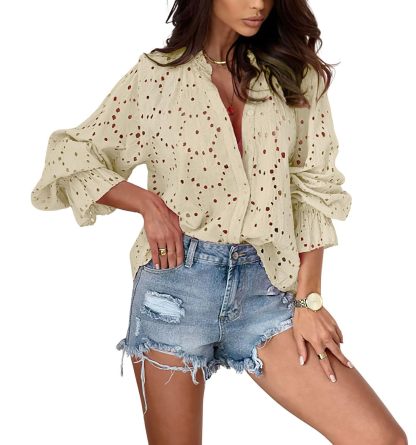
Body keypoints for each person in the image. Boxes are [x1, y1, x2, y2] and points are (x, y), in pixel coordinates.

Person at [31, 1, 408, 444]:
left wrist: (309, 301)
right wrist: (148, 204)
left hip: (267, 288)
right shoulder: (157, 78)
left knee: (380, 438)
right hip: (175, 288)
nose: (258, 4)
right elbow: (70, 156)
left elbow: (312, 187)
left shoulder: (294, 75)